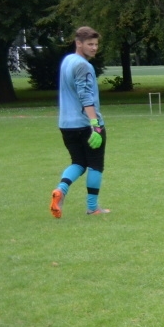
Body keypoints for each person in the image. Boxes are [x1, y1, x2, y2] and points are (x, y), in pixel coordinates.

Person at [50, 26, 109, 218]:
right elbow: (85, 96)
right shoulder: (84, 66)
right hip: (86, 125)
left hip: (66, 125)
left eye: (96, 44)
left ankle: (61, 189)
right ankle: (92, 207)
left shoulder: (67, 61)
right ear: (78, 43)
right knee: (95, 165)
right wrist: (95, 124)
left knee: (78, 162)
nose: (94, 48)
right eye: (90, 44)